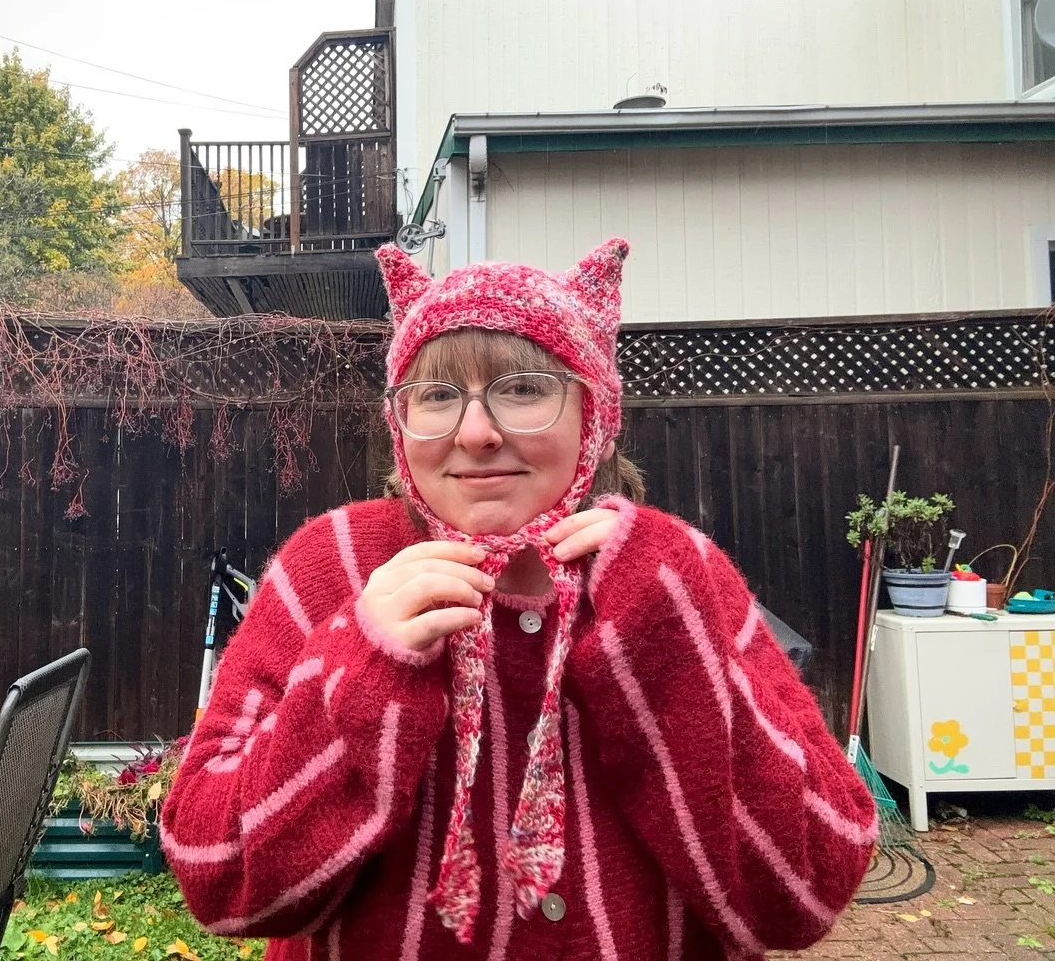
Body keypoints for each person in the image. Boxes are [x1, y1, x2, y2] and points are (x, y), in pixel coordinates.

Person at [161, 239, 877, 960]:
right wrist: (361, 669)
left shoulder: (680, 575)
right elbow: (218, 880)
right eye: (437, 396)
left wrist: (664, 647)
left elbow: (807, 887)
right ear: (400, 425)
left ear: (593, 417)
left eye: (524, 388)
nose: (476, 433)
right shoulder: (331, 570)